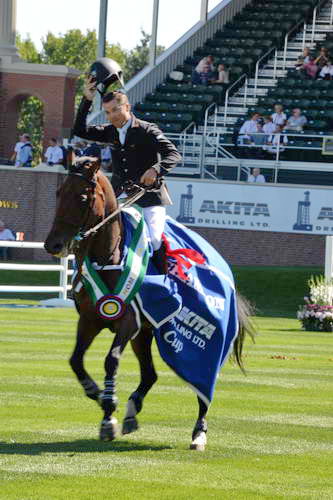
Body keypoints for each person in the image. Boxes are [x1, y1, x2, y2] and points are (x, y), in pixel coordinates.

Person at [72, 77, 182, 272]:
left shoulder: (148, 130)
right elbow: (79, 130)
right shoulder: (109, 131)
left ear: (127, 107)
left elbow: (173, 154)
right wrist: (87, 99)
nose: (112, 116)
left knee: (155, 240)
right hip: (118, 197)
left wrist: (156, 169)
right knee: (95, 231)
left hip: (149, 198)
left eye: (115, 110)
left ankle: (160, 278)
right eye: (107, 113)